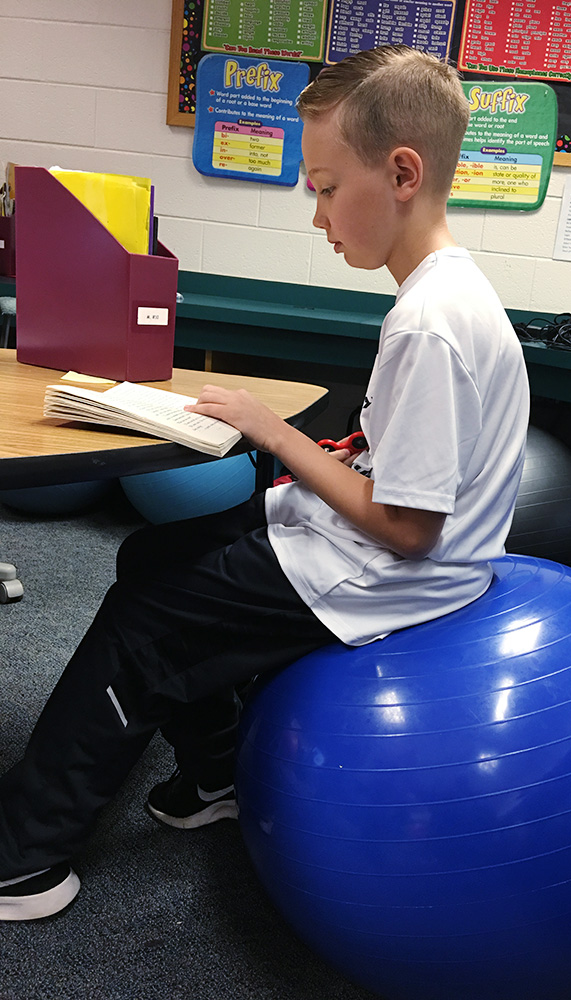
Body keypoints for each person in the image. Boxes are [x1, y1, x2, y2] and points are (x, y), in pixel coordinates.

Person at [0, 45, 529, 921]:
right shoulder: (444, 296)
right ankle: (213, 775)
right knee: (152, 553)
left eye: (324, 186)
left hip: (383, 574)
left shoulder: (431, 326)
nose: (314, 211)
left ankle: (25, 857)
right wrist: (291, 439)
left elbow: (409, 528)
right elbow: (397, 466)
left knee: (146, 624)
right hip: (356, 541)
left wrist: (271, 430)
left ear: (402, 171)